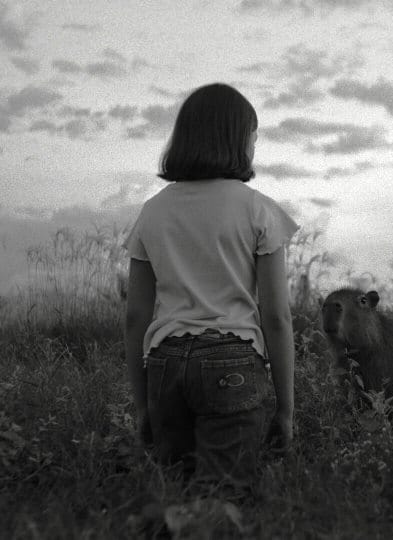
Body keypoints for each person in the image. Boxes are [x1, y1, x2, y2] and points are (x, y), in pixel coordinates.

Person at [123, 83, 298, 487]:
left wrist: (142, 406)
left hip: (165, 363)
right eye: (253, 137)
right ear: (236, 140)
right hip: (231, 358)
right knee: (226, 494)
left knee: (177, 489)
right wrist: (286, 409)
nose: (254, 146)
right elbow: (276, 316)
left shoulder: (153, 211)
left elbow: (135, 316)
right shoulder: (257, 209)